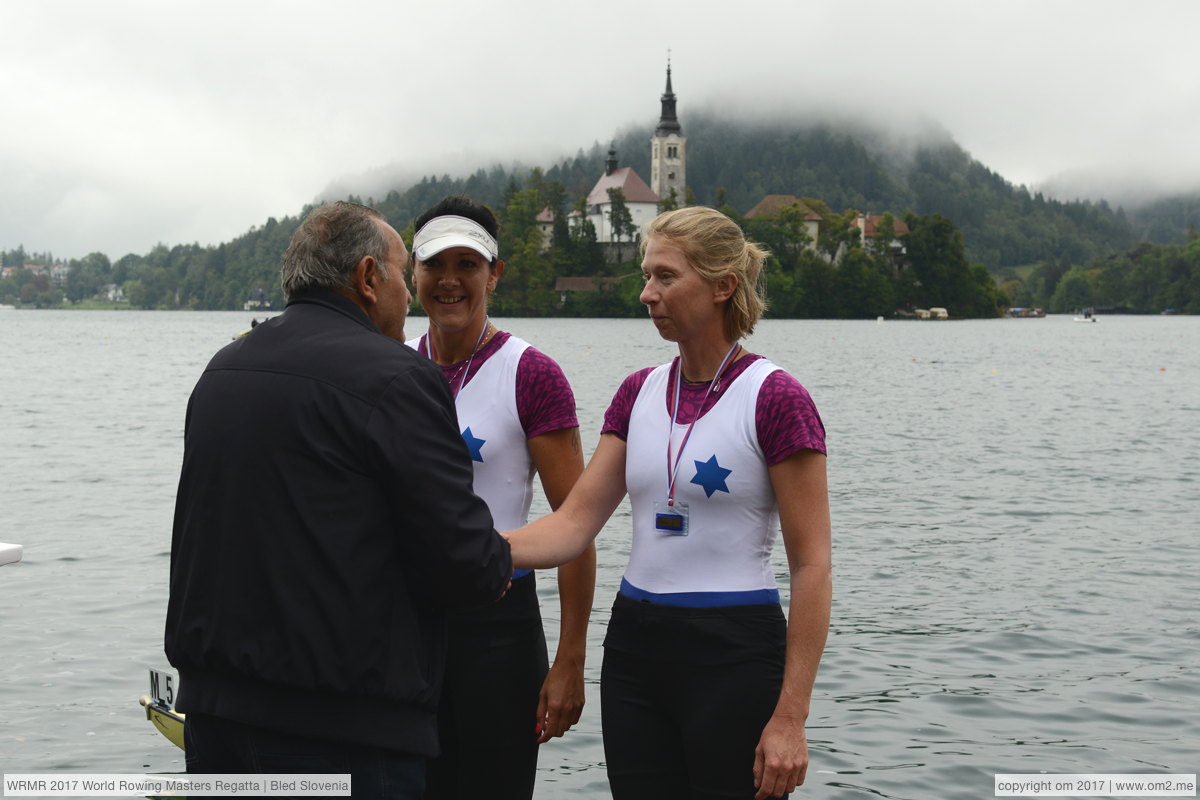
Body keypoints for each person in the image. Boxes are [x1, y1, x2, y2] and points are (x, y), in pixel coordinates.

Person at [164, 201, 512, 800]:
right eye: (404, 274)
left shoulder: (222, 371)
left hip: (214, 714)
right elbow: (464, 566)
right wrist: (496, 562)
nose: (409, 296)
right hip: (344, 729)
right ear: (369, 276)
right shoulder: (399, 379)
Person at [506, 206, 831, 800]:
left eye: (664, 276)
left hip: (732, 653)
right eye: (645, 276)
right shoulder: (637, 392)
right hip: (635, 650)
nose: (645, 293)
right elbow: (575, 523)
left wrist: (791, 717)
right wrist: (476, 550)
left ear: (722, 286)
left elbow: (813, 566)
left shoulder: (777, 398)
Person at [406, 195, 595, 799]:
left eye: (469, 264)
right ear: (413, 274)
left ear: (496, 273)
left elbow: (577, 527)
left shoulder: (531, 374)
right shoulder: (391, 367)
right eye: (436, 265)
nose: (451, 281)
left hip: (498, 627)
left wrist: (569, 659)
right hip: (406, 628)